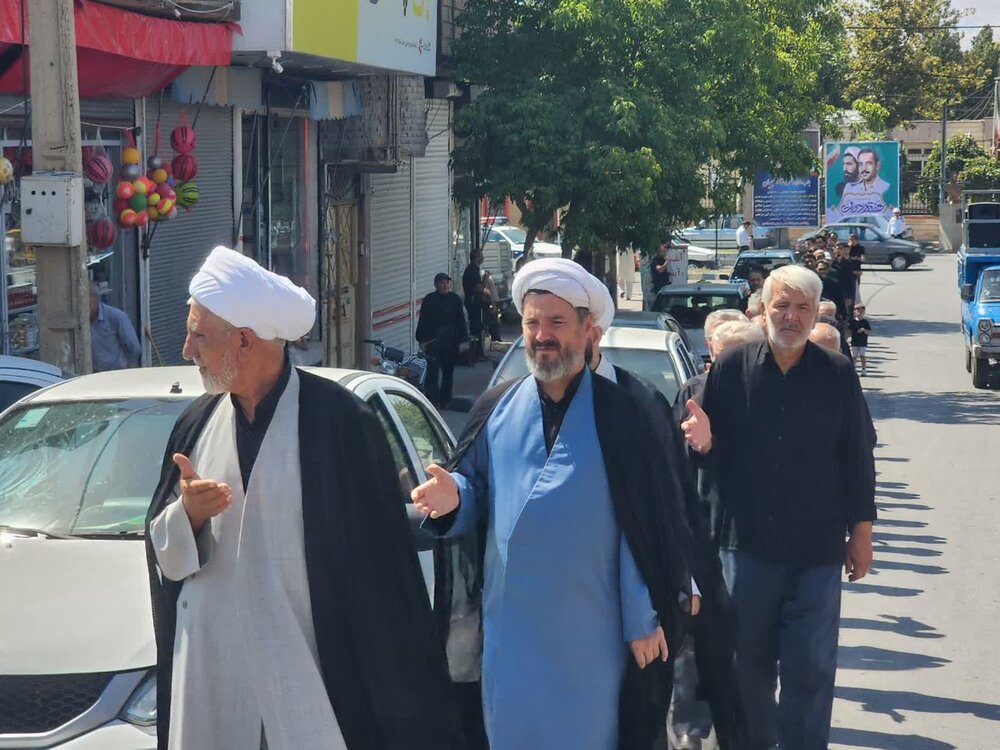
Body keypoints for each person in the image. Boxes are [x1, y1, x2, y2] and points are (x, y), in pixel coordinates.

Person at [145, 246, 461, 750]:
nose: (186, 350)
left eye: (199, 336)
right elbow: (162, 551)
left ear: (244, 340)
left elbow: (382, 577)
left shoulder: (341, 423)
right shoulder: (196, 425)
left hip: (314, 684)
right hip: (216, 683)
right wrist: (189, 517)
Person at [413, 257, 694, 750]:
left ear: (587, 330)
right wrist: (453, 497)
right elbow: (478, 490)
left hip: (590, 628)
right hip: (511, 629)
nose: (542, 335)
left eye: (556, 322)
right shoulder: (496, 405)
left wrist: (641, 615)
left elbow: (643, 522)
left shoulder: (624, 412)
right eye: (532, 323)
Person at [681, 264, 876, 750]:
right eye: (781, 306)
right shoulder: (731, 368)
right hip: (745, 549)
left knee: (811, 668)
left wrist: (862, 533)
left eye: (802, 308)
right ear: (764, 310)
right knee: (746, 668)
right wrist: (703, 444)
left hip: (816, 552)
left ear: (814, 314)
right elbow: (709, 454)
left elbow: (856, 456)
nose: (791, 316)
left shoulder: (837, 373)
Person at [588, 324, 746, 750]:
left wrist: (684, 575)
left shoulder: (641, 401)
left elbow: (670, 492)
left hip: (701, 551)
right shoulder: (515, 406)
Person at [416, 272, 469, 408]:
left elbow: (461, 321)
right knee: (432, 373)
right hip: (433, 342)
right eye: (442, 283)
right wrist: (421, 340)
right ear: (436, 285)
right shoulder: (429, 299)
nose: (445, 285)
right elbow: (423, 321)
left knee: (448, 372)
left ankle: (445, 400)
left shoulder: (455, 299)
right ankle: (432, 401)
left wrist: (464, 340)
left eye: (447, 283)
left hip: (450, 342)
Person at [89, 281, 141, 372]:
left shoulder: (116, 317)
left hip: (116, 372)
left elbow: (134, 348)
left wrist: (126, 369)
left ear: (97, 299)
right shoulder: (81, 321)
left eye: (89, 304)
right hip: (92, 374)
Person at [463, 250, 485, 359]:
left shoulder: (473, 269)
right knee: (475, 328)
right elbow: (479, 288)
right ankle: (476, 353)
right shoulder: (472, 270)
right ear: (476, 257)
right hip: (473, 303)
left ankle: (477, 352)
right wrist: (485, 280)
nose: (483, 258)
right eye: (481, 256)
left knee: (477, 327)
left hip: (474, 302)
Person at [850, 304, 872, 375]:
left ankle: (863, 370)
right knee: (854, 356)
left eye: (861, 312)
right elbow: (848, 331)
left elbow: (869, 331)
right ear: (855, 312)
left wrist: (863, 330)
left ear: (864, 312)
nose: (859, 313)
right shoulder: (852, 322)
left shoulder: (865, 322)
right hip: (854, 342)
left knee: (862, 355)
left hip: (863, 342)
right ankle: (853, 370)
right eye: (858, 311)